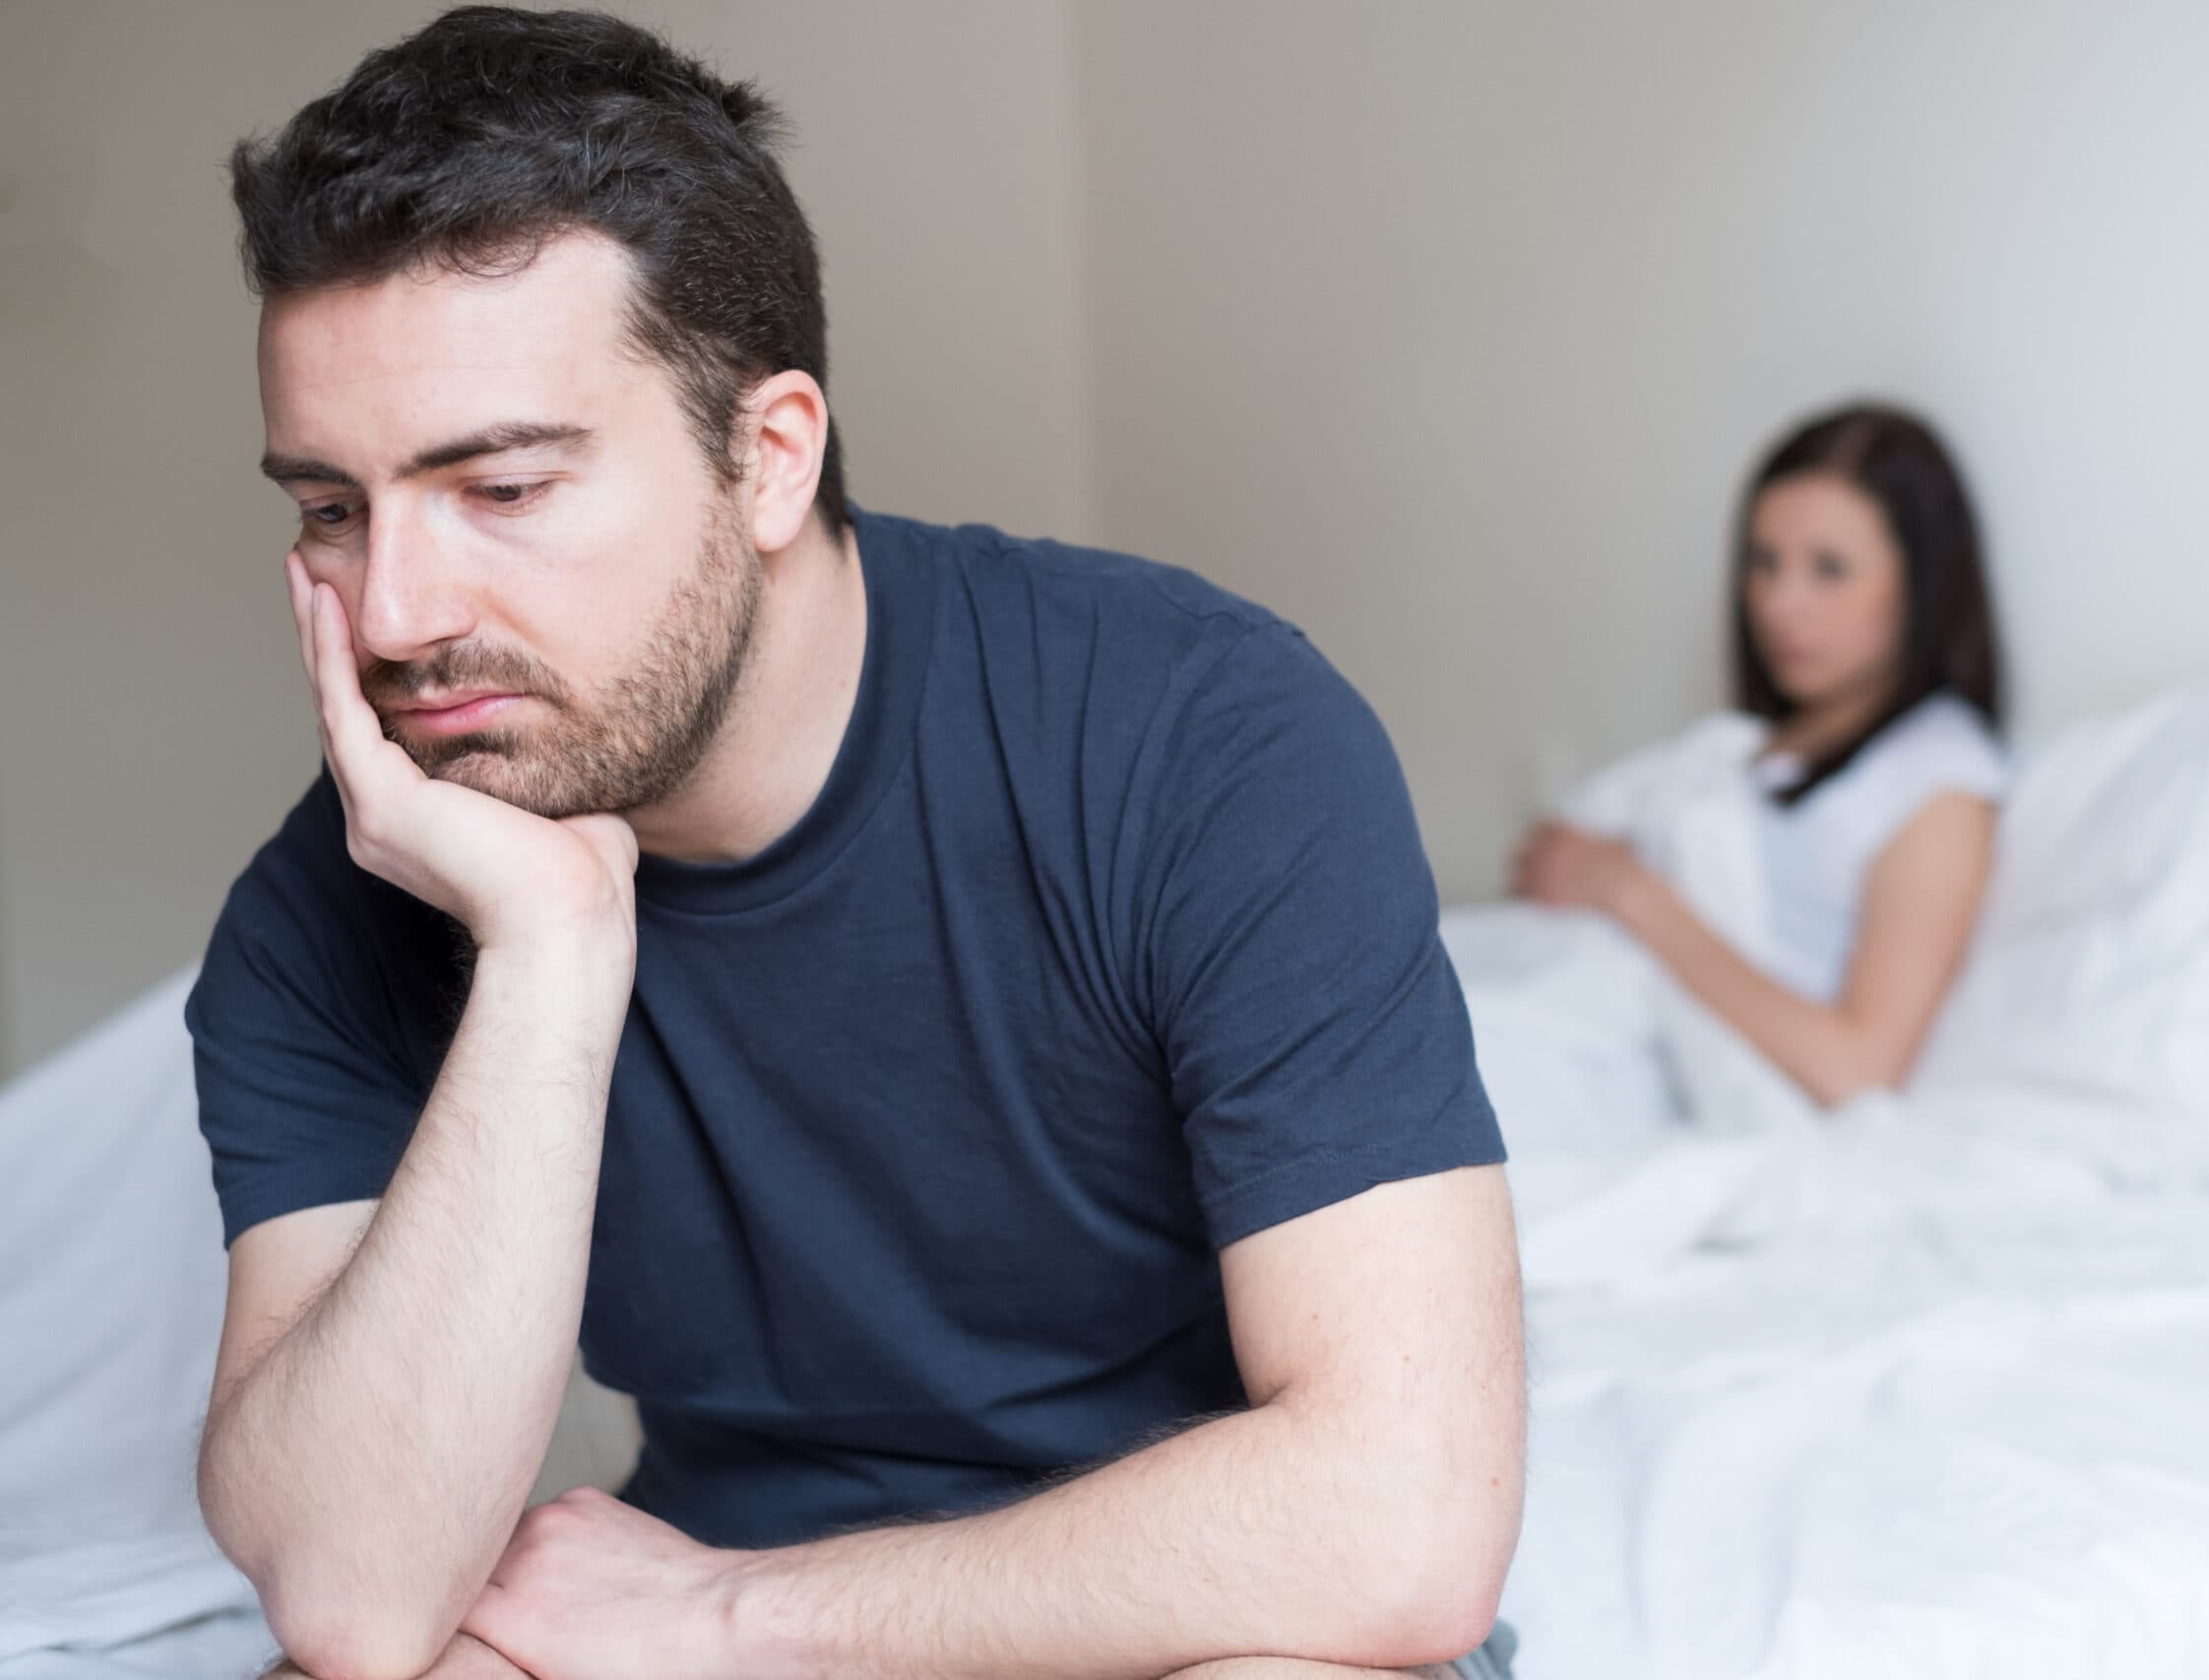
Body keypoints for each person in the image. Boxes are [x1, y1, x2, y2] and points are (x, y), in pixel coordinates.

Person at [184, 10, 1524, 1680]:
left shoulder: (1200, 732)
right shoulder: (336, 905)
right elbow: (354, 1596)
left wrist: (740, 1617)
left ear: (769, 453)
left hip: (1198, 1607)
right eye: (331, 507)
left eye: (504, 490)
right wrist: (548, 959)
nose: (394, 613)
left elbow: (1404, 1524)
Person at [1512, 403, 2009, 1108]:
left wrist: (1627, 891)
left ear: (1922, 582)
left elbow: (1860, 1066)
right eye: (1764, 563)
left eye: (1829, 569)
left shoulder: (1940, 779)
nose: (1780, 604)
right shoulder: (1750, 748)